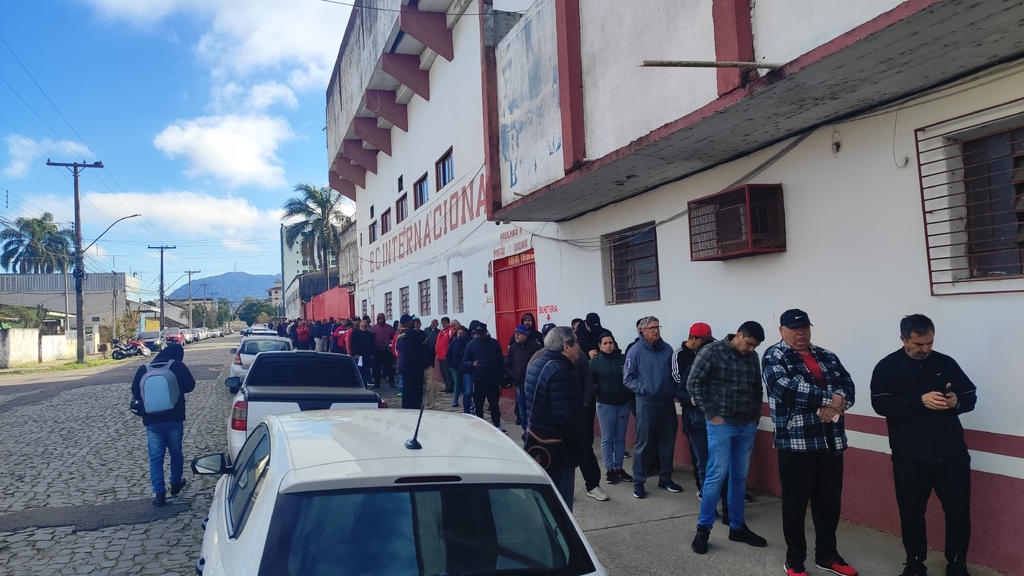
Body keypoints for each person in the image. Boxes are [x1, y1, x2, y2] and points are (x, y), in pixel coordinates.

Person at [870, 314, 977, 576]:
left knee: (959, 513)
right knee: (912, 514)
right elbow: (880, 404)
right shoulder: (887, 367)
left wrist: (956, 402)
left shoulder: (945, 362)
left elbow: (970, 395)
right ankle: (916, 564)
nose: (925, 349)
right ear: (903, 339)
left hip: (951, 454)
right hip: (910, 457)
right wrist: (919, 401)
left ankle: (956, 564)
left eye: (929, 342)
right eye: (918, 344)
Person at [762, 309, 858, 576]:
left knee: (828, 502)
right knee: (795, 504)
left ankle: (827, 555)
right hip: (796, 443)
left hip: (831, 441)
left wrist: (836, 402)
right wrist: (829, 399)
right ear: (782, 330)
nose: (800, 332)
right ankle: (794, 560)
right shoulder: (774, 355)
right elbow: (783, 388)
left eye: (804, 327)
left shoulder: (826, 355)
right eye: (794, 328)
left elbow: (847, 385)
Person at [687, 321, 767, 554]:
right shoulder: (712, 351)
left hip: (746, 425)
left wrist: (755, 416)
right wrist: (711, 414)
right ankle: (703, 528)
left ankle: (737, 527)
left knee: (739, 477)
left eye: (756, 346)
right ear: (739, 335)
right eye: (750, 343)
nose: (752, 349)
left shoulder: (753, 358)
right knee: (716, 475)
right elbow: (693, 383)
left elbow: (756, 388)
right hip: (721, 424)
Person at [524, 326, 607, 509]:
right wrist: (582, 443)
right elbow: (566, 419)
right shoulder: (560, 371)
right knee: (560, 504)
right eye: (576, 342)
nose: (579, 346)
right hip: (558, 447)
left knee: (547, 498)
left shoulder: (539, 363)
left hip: (540, 438)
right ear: (565, 346)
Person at [130, 343, 196, 507]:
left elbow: (136, 392)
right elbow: (190, 386)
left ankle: (159, 494)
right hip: (174, 418)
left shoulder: (144, 369)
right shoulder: (177, 366)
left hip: (152, 420)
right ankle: (175, 483)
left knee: (155, 457)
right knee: (176, 453)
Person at [624, 315, 683, 499]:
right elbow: (628, 378)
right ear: (642, 330)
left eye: (658, 327)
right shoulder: (635, 351)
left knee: (667, 443)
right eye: (651, 328)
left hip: (666, 404)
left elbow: (674, 373)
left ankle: (665, 478)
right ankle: (639, 482)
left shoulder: (667, 349)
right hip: (646, 404)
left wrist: (673, 391)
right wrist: (644, 389)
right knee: (644, 445)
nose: (656, 330)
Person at [671, 322, 720, 499]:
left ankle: (720, 489)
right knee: (700, 457)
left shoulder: (718, 367)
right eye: (702, 341)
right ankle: (703, 489)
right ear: (692, 338)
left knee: (718, 460)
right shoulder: (681, 356)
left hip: (716, 419)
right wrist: (693, 397)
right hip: (694, 415)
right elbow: (678, 384)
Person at [591, 331, 634, 484]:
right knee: (607, 437)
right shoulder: (595, 362)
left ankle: (619, 468)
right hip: (605, 404)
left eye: (611, 343)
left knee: (620, 437)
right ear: (600, 345)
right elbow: (590, 383)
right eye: (605, 343)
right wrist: (599, 390)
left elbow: (631, 376)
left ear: (614, 344)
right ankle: (609, 469)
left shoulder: (623, 359)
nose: (608, 346)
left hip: (623, 403)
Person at [461, 323, 506, 432]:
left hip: (493, 379)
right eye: (477, 334)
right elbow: (464, 362)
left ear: (486, 332)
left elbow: (500, 360)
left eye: (481, 333)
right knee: (478, 403)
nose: (479, 336)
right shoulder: (471, 345)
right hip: (478, 379)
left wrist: (503, 375)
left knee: (494, 403)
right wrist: (473, 364)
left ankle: (497, 424)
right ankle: (480, 424)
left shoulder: (494, 343)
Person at [506, 324, 543, 434]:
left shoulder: (534, 347)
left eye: (519, 334)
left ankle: (534, 431)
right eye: (515, 334)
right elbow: (507, 364)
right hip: (519, 384)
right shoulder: (513, 348)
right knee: (522, 411)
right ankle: (525, 431)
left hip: (532, 384)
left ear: (525, 335)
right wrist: (513, 374)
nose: (516, 336)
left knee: (532, 410)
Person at [395, 314, 428, 409]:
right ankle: (415, 410)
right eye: (412, 320)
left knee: (406, 389)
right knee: (416, 391)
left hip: (403, 364)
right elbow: (426, 342)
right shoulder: (413, 333)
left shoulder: (400, 335)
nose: (414, 322)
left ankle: (406, 408)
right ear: (408, 322)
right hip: (414, 365)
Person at [370, 313, 396, 388]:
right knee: (376, 368)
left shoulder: (389, 327)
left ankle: (391, 383)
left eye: (382, 319)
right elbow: (371, 339)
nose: (381, 320)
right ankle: (377, 384)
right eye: (379, 319)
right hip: (377, 350)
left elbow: (394, 337)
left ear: (384, 319)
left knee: (389, 367)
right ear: (377, 319)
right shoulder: (373, 328)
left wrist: (390, 345)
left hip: (387, 350)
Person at [349, 318, 375, 386]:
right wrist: (355, 353)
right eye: (363, 321)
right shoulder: (355, 333)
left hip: (367, 355)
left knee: (367, 369)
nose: (365, 322)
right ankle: (362, 383)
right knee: (360, 370)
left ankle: (367, 382)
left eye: (365, 322)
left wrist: (372, 353)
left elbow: (372, 343)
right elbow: (353, 344)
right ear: (360, 323)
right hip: (359, 356)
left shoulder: (369, 334)